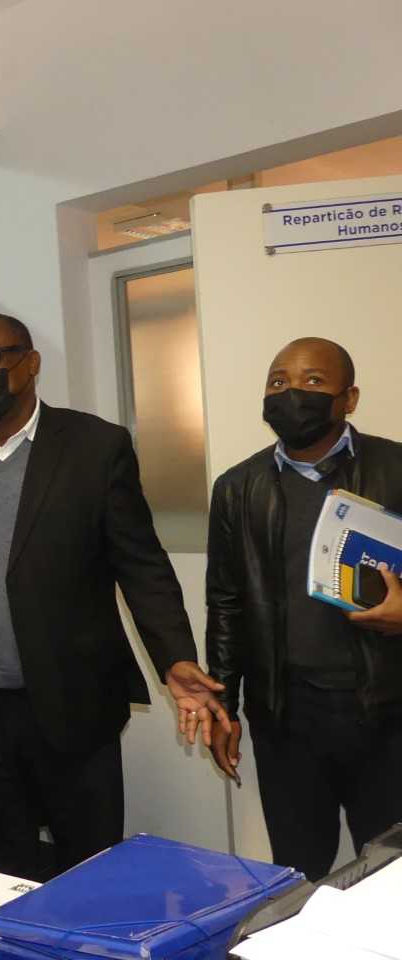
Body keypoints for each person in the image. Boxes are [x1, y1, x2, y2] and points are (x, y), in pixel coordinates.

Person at [0, 313, 228, 881]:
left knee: (88, 871)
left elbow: (141, 566)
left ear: (30, 364)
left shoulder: (95, 447)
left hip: (74, 703)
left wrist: (174, 657)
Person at [206, 337, 402, 881]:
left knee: (390, 876)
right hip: (287, 718)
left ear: (349, 398)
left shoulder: (396, 468)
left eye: (314, 381)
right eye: (278, 381)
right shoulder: (237, 488)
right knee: (297, 871)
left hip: (387, 714)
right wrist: (223, 706)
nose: (292, 392)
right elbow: (225, 603)